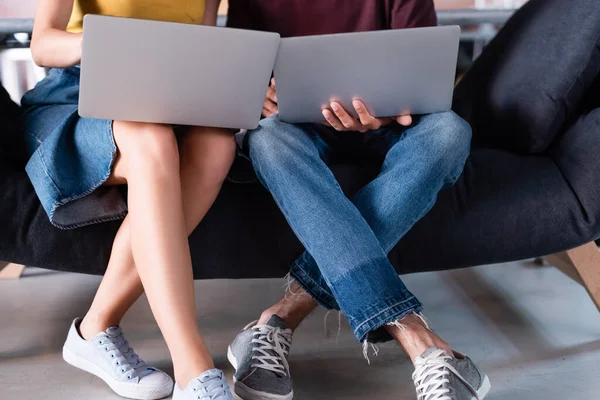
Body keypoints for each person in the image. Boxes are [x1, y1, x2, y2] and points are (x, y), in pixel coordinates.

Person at [226, 1, 491, 399]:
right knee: (267, 140)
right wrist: (257, 93)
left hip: (385, 123)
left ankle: (280, 316)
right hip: (294, 124)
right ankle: (418, 340)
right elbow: (246, 68)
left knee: (449, 132)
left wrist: (385, 112)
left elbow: (422, 70)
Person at [23, 0, 234, 399]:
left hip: (169, 97)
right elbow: (42, 44)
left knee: (217, 145)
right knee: (150, 140)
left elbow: (203, 52)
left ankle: (95, 327)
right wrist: (109, 45)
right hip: (77, 91)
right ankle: (195, 369)